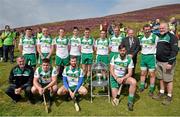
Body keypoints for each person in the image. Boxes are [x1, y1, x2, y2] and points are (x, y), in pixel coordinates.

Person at [152, 23, 178, 105]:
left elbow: (175, 51)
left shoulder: (172, 37)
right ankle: (162, 92)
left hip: (167, 62)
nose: (161, 29)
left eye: (163, 28)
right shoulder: (159, 36)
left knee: (168, 79)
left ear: (167, 28)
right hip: (159, 61)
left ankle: (169, 96)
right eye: (160, 28)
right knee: (160, 78)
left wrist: (170, 63)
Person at [110, 44, 137, 111]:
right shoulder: (114, 57)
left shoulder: (129, 59)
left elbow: (130, 73)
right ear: (119, 50)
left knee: (133, 82)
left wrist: (122, 78)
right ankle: (116, 90)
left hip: (123, 77)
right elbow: (111, 70)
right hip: (114, 78)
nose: (122, 52)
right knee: (115, 99)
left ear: (126, 51)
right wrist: (116, 78)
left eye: (124, 50)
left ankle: (130, 102)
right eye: (121, 50)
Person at [139, 24, 158, 96]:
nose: (147, 31)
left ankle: (151, 89)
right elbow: (141, 47)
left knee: (152, 74)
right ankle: (141, 86)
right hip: (143, 57)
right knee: (143, 73)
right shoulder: (141, 38)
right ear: (143, 30)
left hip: (151, 57)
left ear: (150, 29)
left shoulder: (155, 37)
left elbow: (158, 46)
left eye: (148, 29)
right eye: (145, 30)